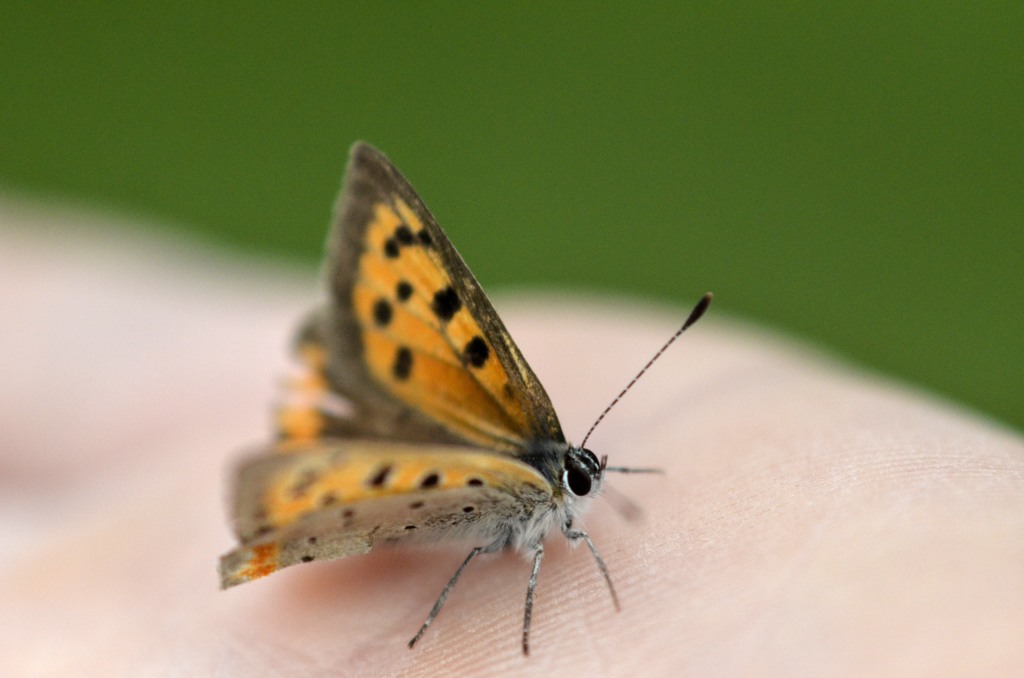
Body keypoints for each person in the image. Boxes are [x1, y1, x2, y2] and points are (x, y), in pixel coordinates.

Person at [2, 204, 1022, 676]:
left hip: (382, 461)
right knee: (499, 557)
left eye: (589, 473)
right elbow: (510, 560)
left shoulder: (536, 460)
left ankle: (335, 442)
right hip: (351, 498)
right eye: (585, 473)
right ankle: (297, 507)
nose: (592, 476)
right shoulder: (524, 489)